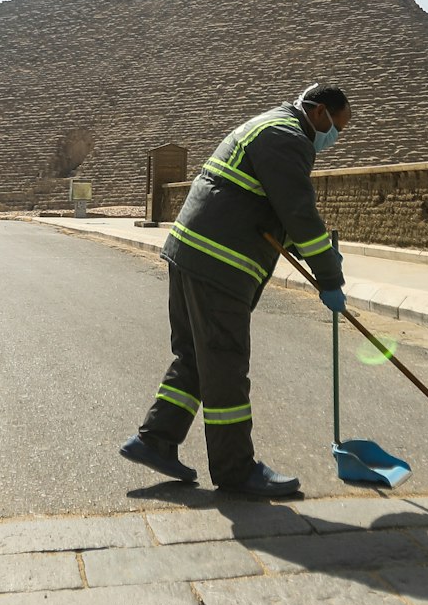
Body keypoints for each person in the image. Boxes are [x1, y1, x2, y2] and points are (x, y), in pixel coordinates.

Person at [121, 84, 351, 498]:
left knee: (195, 355)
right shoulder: (287, 138)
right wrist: (330, 274)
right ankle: (236, 470)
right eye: (338, 126)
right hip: (219, 263)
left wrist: (317, 258)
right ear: (319, 112)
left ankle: (156, 439)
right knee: (225, 362)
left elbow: (273, 209)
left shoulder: (271, 128)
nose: (336, 138)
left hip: (192, 251)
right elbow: (298, 212)